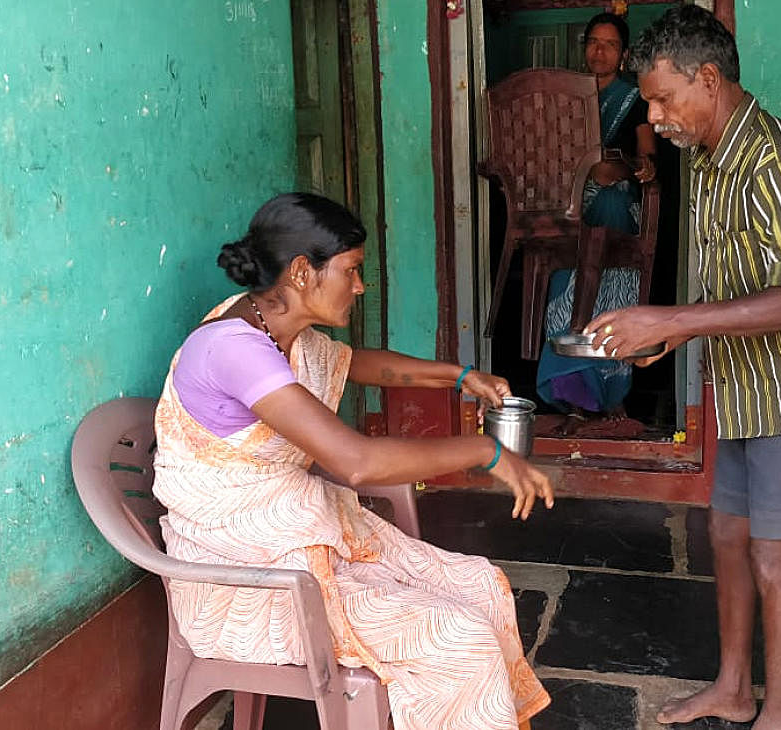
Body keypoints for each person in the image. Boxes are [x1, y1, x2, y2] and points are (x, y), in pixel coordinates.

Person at [151, 193, 554, 730]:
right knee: (460, 640)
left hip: (296, 543)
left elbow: (356, 365)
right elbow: (356, 461)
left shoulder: (276, 330)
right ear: (301, 272)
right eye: (351, 271)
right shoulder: (232, 348)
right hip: (248, 583)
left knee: (480, 585)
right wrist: (485, 450)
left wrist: (460, 377)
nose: (360, 287)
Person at [585, 6, 781, 729]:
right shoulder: (714, 157)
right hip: (749, 387)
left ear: (709, 79)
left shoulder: (780, 160)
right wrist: (678, 336)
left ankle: (776, 716)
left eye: (661, 98)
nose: (654, 115)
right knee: (726, 536)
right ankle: (733, 686)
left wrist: (675, 319)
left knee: (780, 563)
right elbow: (740, 287)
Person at [535, 11, 659, 426]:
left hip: (615, 205)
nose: (599, 51)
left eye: (609, 44)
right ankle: (574, 398)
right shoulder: (564, 99)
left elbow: (647, 157)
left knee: (610, 207)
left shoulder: (635, 97)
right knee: (566, 285)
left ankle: (611, 395)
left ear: (623, 54)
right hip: (569, 206)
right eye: (593, 42)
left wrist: (635, 169)